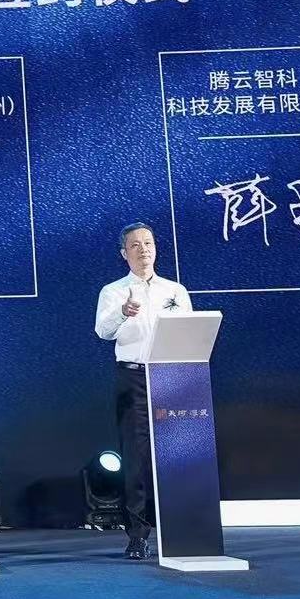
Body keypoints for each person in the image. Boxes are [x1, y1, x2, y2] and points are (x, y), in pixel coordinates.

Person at [92, 222, 194, 560]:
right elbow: (102, 331)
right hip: (133, 377)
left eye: (148, 243)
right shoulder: (113, 291)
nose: (143, 249)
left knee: (176, 453)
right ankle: (137, 534)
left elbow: (189, 331)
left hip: (172, 376)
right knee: (135, 458)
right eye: (135, 245)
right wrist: (123, 313)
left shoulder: (175, 290)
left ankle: (182, 527)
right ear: (124, 253)